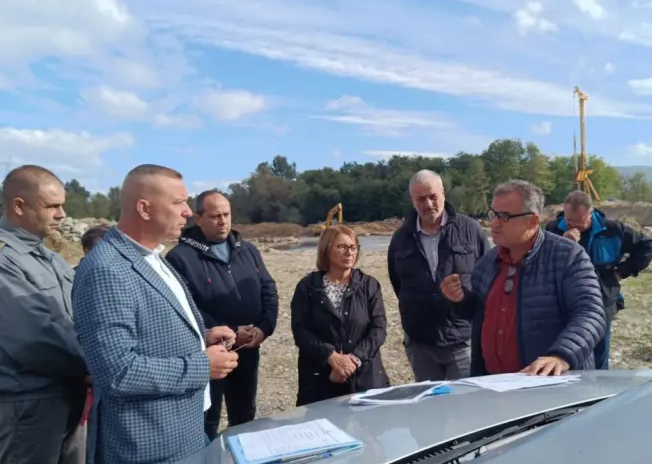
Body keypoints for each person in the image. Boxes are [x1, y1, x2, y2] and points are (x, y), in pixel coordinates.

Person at [71, 164, 240, 464]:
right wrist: (203, 365)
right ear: (144, 209)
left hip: (183, 433)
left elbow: (149, 330)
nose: (188, 212)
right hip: (148, 449)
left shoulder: (152, 256)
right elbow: (118, 372)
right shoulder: (106, 270)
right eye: (178, 202)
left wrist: (201, 337)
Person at [441, 180, 607, 376]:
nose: (493, 223)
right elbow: (478, 314)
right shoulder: (487, 263)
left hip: (550, 384)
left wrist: (561, 356)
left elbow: (591, 313)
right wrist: (460, 299)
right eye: (493, 214)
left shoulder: (568, 256)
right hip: (495, 385)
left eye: (504, 216)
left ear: (533, 221)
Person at [166, 189, 279, 440]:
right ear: (198, 218)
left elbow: (268, 289)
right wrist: (229, 332)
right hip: (208, 354)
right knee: (207, 418)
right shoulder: (180, 258)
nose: (223, 221)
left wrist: (264, 328)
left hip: (248, 349)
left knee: (245, 415)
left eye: (227, 215)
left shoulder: (247, 250)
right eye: (215, 216)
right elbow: (185, 309)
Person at [0, 165, 89, 464]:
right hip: (28, 407)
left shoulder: (50, 257)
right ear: (19, 206)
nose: (62, 214)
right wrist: (96, 363)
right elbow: (33, 340)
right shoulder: (5, 261)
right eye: (52, 206)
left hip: (67, 395)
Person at [387, 169, 490, 382]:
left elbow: (487, 279)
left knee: (464, 401)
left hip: (463, 340)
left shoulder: (470, 230)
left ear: (443, 193)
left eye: (433, 196)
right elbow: (398, 283)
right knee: (430, 402)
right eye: (420, 199)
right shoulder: (400, 238)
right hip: (421, 343)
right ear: (412, 200)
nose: (428, 204)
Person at [545, 190, 652, 369]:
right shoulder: (553, 230)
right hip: (563, 301)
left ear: (590, 213)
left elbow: (647, 246)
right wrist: (563, 244)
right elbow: (543, 262)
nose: (573, 226)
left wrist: (621, 272)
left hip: (602, 300)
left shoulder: (612, 230)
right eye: (569, 220)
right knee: (567, 351)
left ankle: (599, 384)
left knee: (598, 353)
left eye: (579, 222)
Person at [291, 225, 390, 406]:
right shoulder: (307, 287)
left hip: (365, 378)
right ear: (326, 249)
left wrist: (353, 361)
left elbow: (379, 329)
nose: (349, 252)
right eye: (342, 247)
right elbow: (301, 331)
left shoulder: (369, 285)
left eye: (353, 247)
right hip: (320, 379)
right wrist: (331, 357)